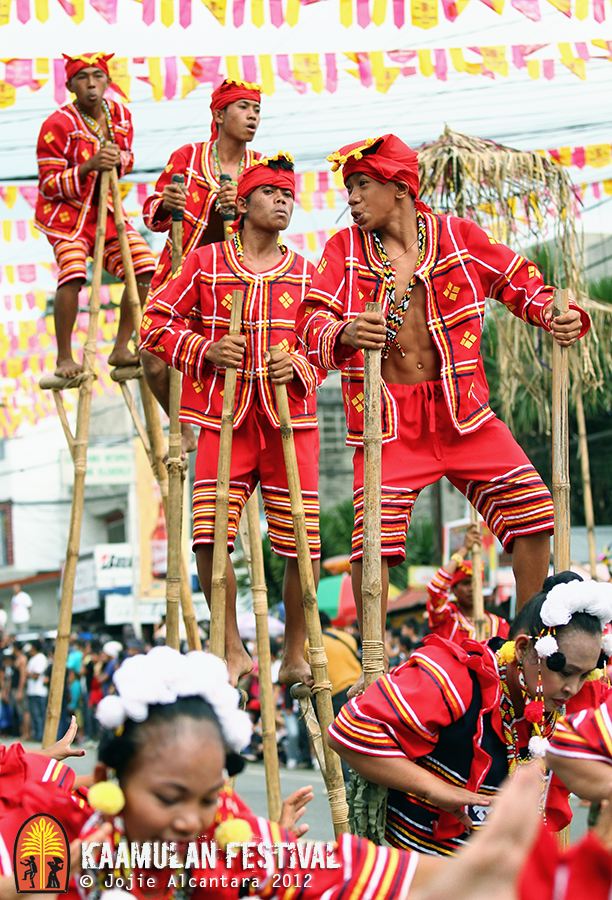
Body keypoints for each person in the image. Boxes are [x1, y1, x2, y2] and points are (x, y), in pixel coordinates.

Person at [296, 134, 590, 695]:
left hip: (464, 414)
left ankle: (526, 641)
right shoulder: (342, 251)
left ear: (400, 187)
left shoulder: (460, 237)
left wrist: (561, 315)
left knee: (534, 514)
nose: (352, 198)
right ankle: (374, 665)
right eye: (348, 187)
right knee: (371, 545)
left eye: (362, 185)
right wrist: (342, 333)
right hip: (388, 424)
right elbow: (311, 322)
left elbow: (523, 286)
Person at [48, 647, 444, 900]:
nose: (190, 820)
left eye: (208, 798)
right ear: (108, 782)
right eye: (168, 798)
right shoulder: (70, 857)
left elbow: (339, 868)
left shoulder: (225, 833)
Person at [141, 154, 322, 688]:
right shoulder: (205, 264)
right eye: (271, 192)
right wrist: (203, 349)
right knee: (206, 535)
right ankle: (231, 649)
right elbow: (153, 323)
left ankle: (293, 651)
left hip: (292, 422)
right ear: (241, 205)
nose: (284, 200)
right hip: (225, 420)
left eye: (289, 194)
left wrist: (302, 364)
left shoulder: (309, 274)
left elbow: (331, 347)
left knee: (303, 544)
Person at [328, 573, 612, 855]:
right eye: (565, 672)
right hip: (417, 871)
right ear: (525, 648)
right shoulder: (455, 679)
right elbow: (346, 733)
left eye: (585, 675)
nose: (573, 688)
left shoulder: (567, 697)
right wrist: (433, 788)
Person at [141, 78, 262, 455]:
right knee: (152, 356)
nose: (253, 116)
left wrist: (239, 209)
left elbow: (266, 228)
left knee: (228, 363)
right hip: (178, 273)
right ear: (219, 113)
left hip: (229, 283)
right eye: (244, 108)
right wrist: (167, 201)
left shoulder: (258, 168)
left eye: (257, 110)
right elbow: (153, 214)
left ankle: (234, 441)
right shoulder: (188, 156)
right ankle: (180, 425)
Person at [35, 52, 156, 380]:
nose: (91, 83)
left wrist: (117, 160)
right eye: (82, 77)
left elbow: (127, 160)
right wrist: (89, 166)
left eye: (97, 76)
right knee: (73, 273)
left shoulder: (120, 115)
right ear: (70, 84)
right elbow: (48, 184)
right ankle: (64, 357)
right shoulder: (56, 124)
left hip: (108, 210)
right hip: (67, 218)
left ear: (107, 81)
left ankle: (120, 346)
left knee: (144, 267)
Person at [427, 524, 509, 644]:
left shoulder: (500, 625)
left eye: (476, 582)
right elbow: (435, 589)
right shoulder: (447, 619)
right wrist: (464, 549)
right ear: (454, 590)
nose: (472, 588)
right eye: (466, 583)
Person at [25, 641, 48, 743]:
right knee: (35, 714)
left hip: (39, 691)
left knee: (39, 714)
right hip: (32, 691)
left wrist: (26, 673)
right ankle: (37, 734)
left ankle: (41, 735)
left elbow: (37, 675)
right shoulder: (33, 659)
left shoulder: (40, 658)